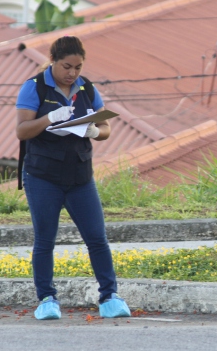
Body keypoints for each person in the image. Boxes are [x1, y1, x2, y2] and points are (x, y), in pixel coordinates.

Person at [15, 35, 131, 320]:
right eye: (67, 66)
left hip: (80, 176)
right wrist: (49, 119)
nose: (72, 73)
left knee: (97, 238)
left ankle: (109, 296)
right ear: (54, 61)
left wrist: (93, 131)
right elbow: (22, 131)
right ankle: (46, 299)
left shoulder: (87, 88)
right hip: (43, 175)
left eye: (78, 67)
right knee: (45, 240)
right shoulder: (35, 88)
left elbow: (105, 128)